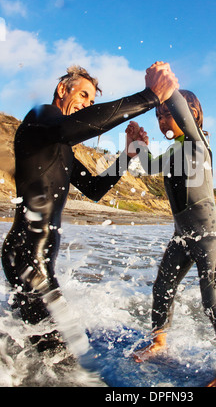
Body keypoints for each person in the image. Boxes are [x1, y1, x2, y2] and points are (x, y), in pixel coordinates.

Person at [1, 62, 179, 353]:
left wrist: (127, 155)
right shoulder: (41, 117)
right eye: (83, 96)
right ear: (62, 89)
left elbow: (94, 189)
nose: (86, 105)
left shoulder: (59, 145)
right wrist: (149, 97)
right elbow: (72, 127)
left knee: (50, 349)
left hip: (34, 258)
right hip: (26, 256)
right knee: (61, 353)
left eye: (91, 101)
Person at [126, 89, 216, 387]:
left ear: (191, 115)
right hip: (181, 236)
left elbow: (185, 118)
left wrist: (167, 88)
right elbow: (147, 167)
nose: (163, 121)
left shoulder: (197, 143)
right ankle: (159, 342)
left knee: (212, 298)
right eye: (159, 116)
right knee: (162, 288)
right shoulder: (174, 151)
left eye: (169, 114)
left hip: (208, 236)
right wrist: (135, 143)